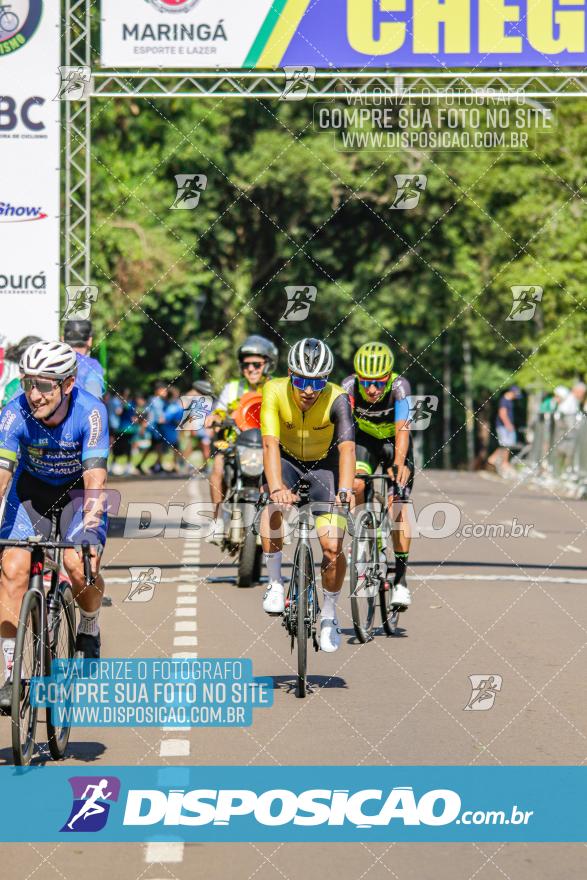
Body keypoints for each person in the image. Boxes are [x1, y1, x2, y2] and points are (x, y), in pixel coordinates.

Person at [0, 341, 109, 708]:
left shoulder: (91, 412)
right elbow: (2, 472)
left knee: (81, 566)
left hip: (78, 494)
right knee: (12, 569)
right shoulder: (14, 412)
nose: (34, 394)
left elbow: (95, 476)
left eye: (45, 385)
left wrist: (90, 524)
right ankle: (12, 672)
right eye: (28, 383)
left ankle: (89, 623)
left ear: (68, 384)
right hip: (31, 492)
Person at [259, 338, 355, 653]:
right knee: (272, 507)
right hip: (284, 459)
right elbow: (270, 444)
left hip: (323, 465)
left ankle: (328, 615)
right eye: (301, 381)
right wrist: (276, 488)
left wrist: (344, 489)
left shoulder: (338, 399)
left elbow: (347, 449)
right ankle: (274, 582)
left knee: (331, 548)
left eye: (317, 382)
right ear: (289, 374)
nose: (309, 390)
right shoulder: (273, 390)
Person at [342, 341, 414, 609]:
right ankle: (363, 535)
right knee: (357, 483)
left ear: (388, 378)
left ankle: (401, 582)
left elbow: (403, 429)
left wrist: (398, 464)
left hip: (395, 443)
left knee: (399, 507)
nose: (372, 389)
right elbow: (344, 431)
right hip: (364, 443)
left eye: (379, 383)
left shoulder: (400, 387)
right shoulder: (348, 387)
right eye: (367, 382)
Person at [207, 336, 278, 543]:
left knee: (283, 472)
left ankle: (278, 522)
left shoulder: (277, 387)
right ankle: (217, 521)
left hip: (267, 445)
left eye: (257, 364)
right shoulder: (232, 388)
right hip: (235, 444)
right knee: (217, 468)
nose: (251, 369)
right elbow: (219, 411)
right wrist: (215, 418)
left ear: (268, 364)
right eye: (246, 365)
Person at [63, 319, 105, 399]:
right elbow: (94, 399)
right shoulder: (92, 366)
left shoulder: (54, 360)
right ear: (90, 340)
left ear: (63, 339)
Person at [488, 385, 522, 474]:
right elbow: (502, 413)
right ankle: (503, 462)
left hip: (505, 426)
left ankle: (495, 459)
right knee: (506, 445)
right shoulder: (504, 401)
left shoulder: (508, 401)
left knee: (506, 445)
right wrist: (508, 424)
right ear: (512, 392)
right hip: (504, 426)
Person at [136, 381, 168, 474]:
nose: (165, 393)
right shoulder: (153, 400)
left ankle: (144, 465)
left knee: (155, 447)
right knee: (158, 447)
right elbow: (149, 413)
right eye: (164, 390)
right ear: (158, 391)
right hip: (154, 427)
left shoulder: (161, 401)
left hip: (158, 427)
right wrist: (144, 425)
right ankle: (158, 466)